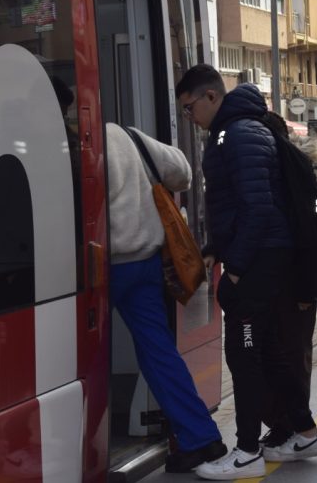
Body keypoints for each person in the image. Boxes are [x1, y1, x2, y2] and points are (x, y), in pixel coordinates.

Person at [175, 64, 317, 479]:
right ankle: (307, 431)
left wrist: (237, 268)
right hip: (262, 256)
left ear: (211, 96)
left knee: (243, 353)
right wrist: (215, 250)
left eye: (190, 108)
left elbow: (257, 208)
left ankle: (246, 451)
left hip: (258, 261)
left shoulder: (238, 135)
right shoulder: (239, 131)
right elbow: (237, 205)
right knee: (269, 351)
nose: (190, 117)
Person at [104, 122, 226, 473]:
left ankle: (88, 442)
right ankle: (202, 439)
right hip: (145, 263)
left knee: (84, 358)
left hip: (103, 269)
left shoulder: (67, 142)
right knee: (159, 353)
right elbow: (183, 172)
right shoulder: (126, 135)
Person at [256, 112, 317, 450]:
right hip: (277, 281)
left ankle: (293, 427)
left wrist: (308, 288)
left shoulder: (299, 174)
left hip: (296, 283)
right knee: (278, 353)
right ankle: (282, 424)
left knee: (293, 355)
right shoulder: (273, 173)